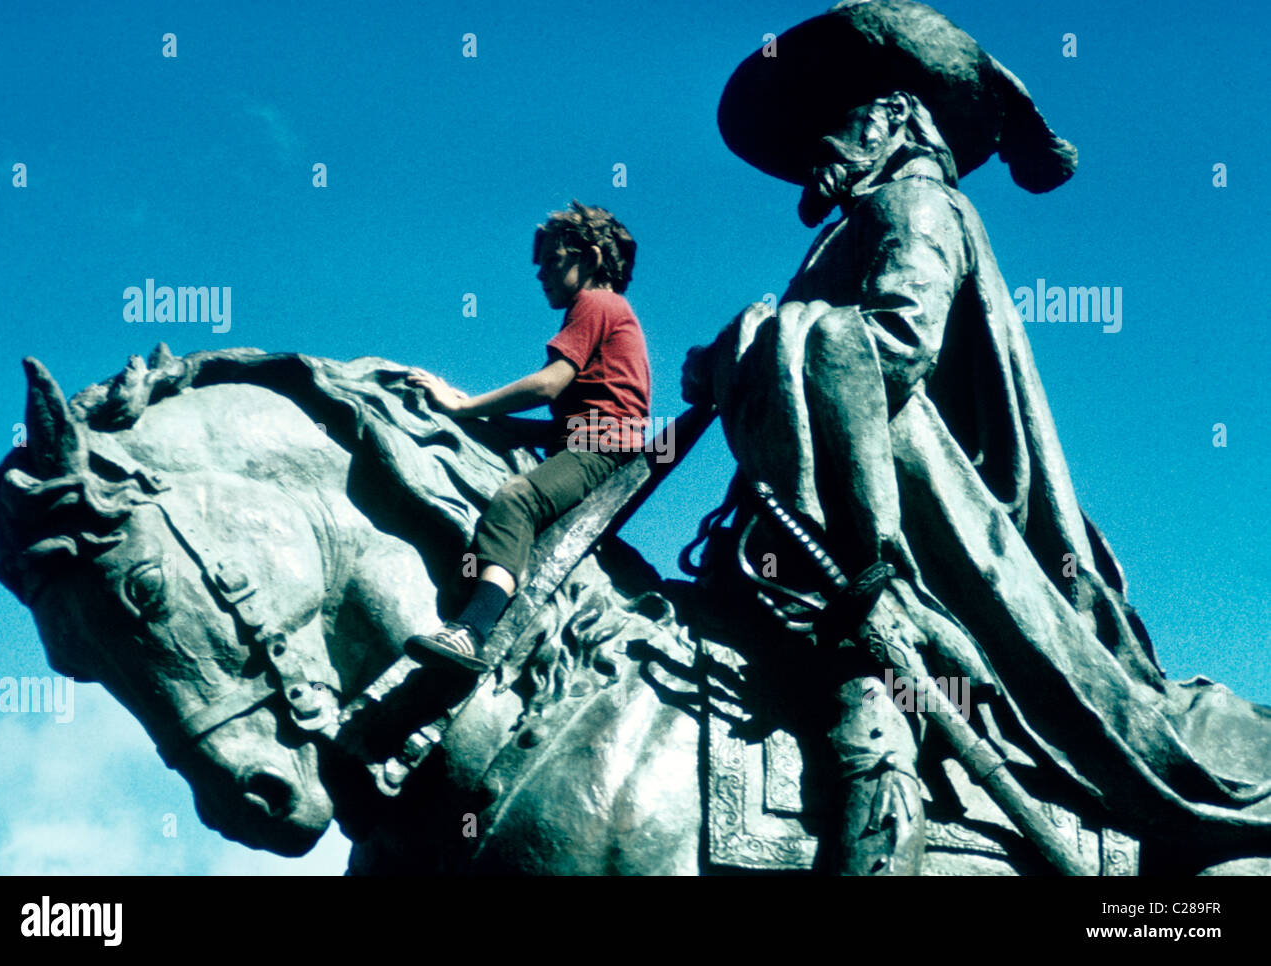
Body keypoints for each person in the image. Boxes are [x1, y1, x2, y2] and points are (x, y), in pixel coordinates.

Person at [686, 0, 1271, 875]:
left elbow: (893, 346)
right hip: (822, 515)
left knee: (870, 706)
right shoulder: (851, 223)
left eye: (838, 122)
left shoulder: (915, 205)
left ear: (893, 119)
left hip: (918, 531)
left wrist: (763, 342)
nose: (819, 147)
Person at [405, 201, 650, 671]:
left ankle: (470, 631)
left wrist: (463, 405)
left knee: (516, 499)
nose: (541, 275)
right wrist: (481, 416)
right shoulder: (606, 309)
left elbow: (548, 384)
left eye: (552, 261)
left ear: (591, 258)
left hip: (600, 447)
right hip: (585, 436)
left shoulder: (596, 303)